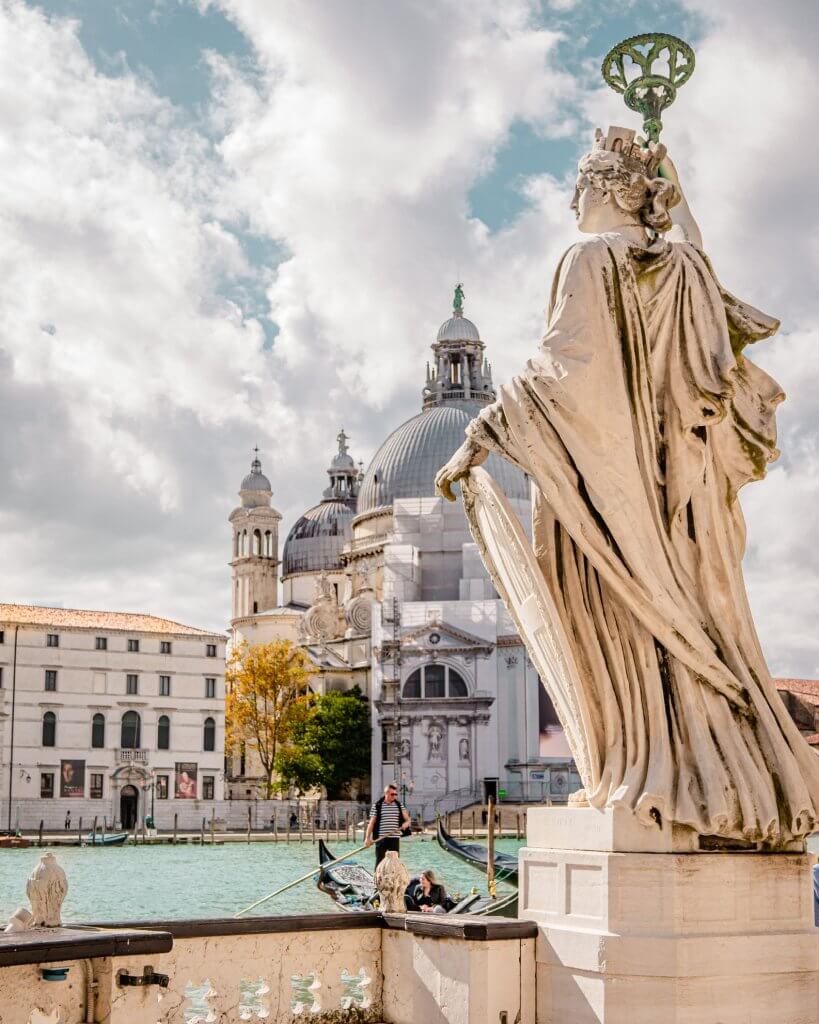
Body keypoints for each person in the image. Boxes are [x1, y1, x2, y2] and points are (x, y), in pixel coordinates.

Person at [435, 125, 819, 844]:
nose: (568, 198)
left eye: (577, 185)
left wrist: (479, 435)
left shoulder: (586, 257)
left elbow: (560, 365)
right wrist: (678, 183)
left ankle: (649, 771)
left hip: (610, 492)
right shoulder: (678, 268)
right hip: (675, 497)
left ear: (607, 189)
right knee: (691, 617)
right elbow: (707, 276)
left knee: (617, 622)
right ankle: (716, 773)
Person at [365, 783, 411, 868]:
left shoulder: (399, 805)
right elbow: (371, 823)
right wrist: (367, 838)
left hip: (394, 838)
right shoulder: (377, 805)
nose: (394, 796)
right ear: (386, 793)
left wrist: (406, 823)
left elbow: (408, 820)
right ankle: (377, 879)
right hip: (381, 838)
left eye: (395, 794)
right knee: (379, 861)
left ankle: (393, 880)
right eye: (392, 794)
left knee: (395, 862)